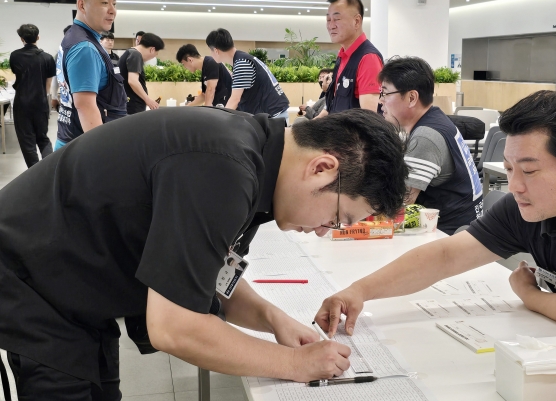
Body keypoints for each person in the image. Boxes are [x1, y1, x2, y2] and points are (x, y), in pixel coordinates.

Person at [0, 106, 408, 399]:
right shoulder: (223, 168)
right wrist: (295, 365)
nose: (323, 232)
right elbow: (174, 327)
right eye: (337, 218)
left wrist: (271, 318)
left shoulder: (253, 155)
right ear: (322, 168)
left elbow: (208, 272)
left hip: (77, 287)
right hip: (32, 283)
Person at [315, 90, 556, 339]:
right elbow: (445, 256)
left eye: (528, 171)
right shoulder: (536, 202)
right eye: (509, 169)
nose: (514, 186)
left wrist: (529, 295)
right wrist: (358, 291)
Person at [379, 57, 483, 234]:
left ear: (412, 97)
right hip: (460, 227)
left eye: (385, 93)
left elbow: (399, 204)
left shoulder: (426, 137)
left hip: (447, 237)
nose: (380, 100)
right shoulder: (437, 120)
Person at [54, 0, 127, 150]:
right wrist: (101, 155)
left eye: (114, 3)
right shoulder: (85, 48)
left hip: (71, 140)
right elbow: (86, 107)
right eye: (104, 3)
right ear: (82, 5)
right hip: (81, 148)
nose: (112, 10)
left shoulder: (77, 38)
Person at [318, 0, 383, 116]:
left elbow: (368, 119)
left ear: (356, 21)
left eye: (337, 19)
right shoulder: (342, 56)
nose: (331, 25)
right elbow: (330, 107)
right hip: (334, 131)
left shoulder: (368, 58)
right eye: (328, 20)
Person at [206, 28, 290, 121]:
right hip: (272, 115)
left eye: (211, 50)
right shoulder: (242, 59)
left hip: (273, 118)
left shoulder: (242, 64)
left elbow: (235, 99)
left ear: (216, 51)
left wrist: (220, 121)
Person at [8, 23, 56, 167]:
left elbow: (17, 75)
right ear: (38, 37)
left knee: (26, 140)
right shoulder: (47, 58)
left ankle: (34, 173)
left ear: (22, 39)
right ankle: (50, 168)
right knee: (43, 138)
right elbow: (48, 85)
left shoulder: (15, 56)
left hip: (21, 103)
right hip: (40, 102)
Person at [118, 32, 164, 114]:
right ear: (152, 49)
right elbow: (133, 81)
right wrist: (148, 100)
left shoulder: (130, 52)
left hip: (128, 105)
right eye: (155, 54)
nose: (153, 57)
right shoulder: (136, 55)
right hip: (133, 107)